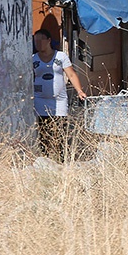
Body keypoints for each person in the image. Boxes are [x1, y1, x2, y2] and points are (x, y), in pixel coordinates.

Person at [33, 28, 87, 158]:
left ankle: (61, 159)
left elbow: (71, 74)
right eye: (36, 41)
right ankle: (45, 159)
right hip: (40, 100)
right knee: (43, 131)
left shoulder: (61, 56)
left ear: (49, 40)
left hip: (59, 100)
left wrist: (79, 91)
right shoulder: (33, 59)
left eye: (41, 40)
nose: (39, 44)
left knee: (60, 131)